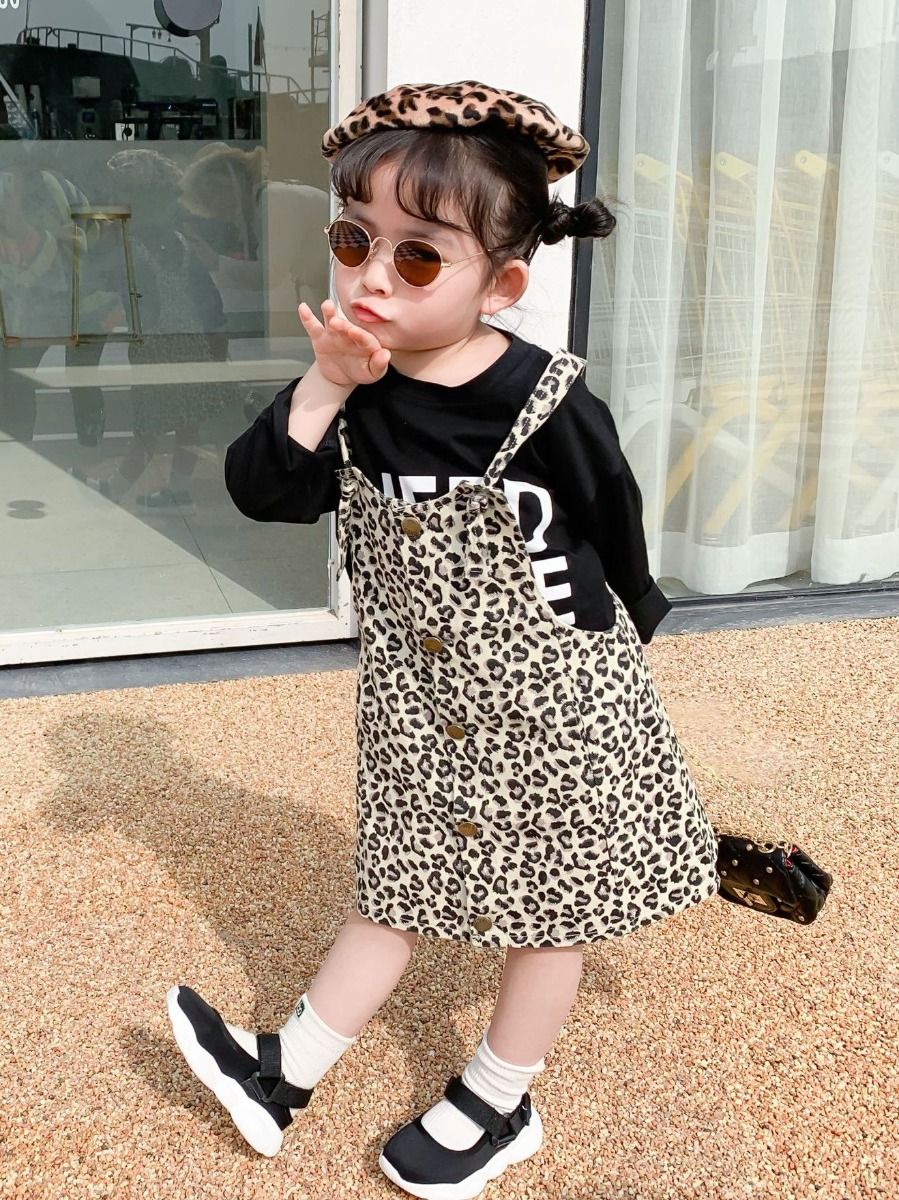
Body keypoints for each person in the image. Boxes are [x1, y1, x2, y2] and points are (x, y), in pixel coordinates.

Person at [165, 80, 720, 1199]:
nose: (372, 277)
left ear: (500, 284)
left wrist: (630, 630)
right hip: (418, 704)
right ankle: (283, 1072)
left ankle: (498, 1096)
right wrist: (323, 385)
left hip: (555, 704)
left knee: (546, 914)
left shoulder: (542, 398)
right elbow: (264, 491)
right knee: (396, 886)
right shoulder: (354, 388)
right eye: (353, 239)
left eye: (417, 257)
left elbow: (609, 512)